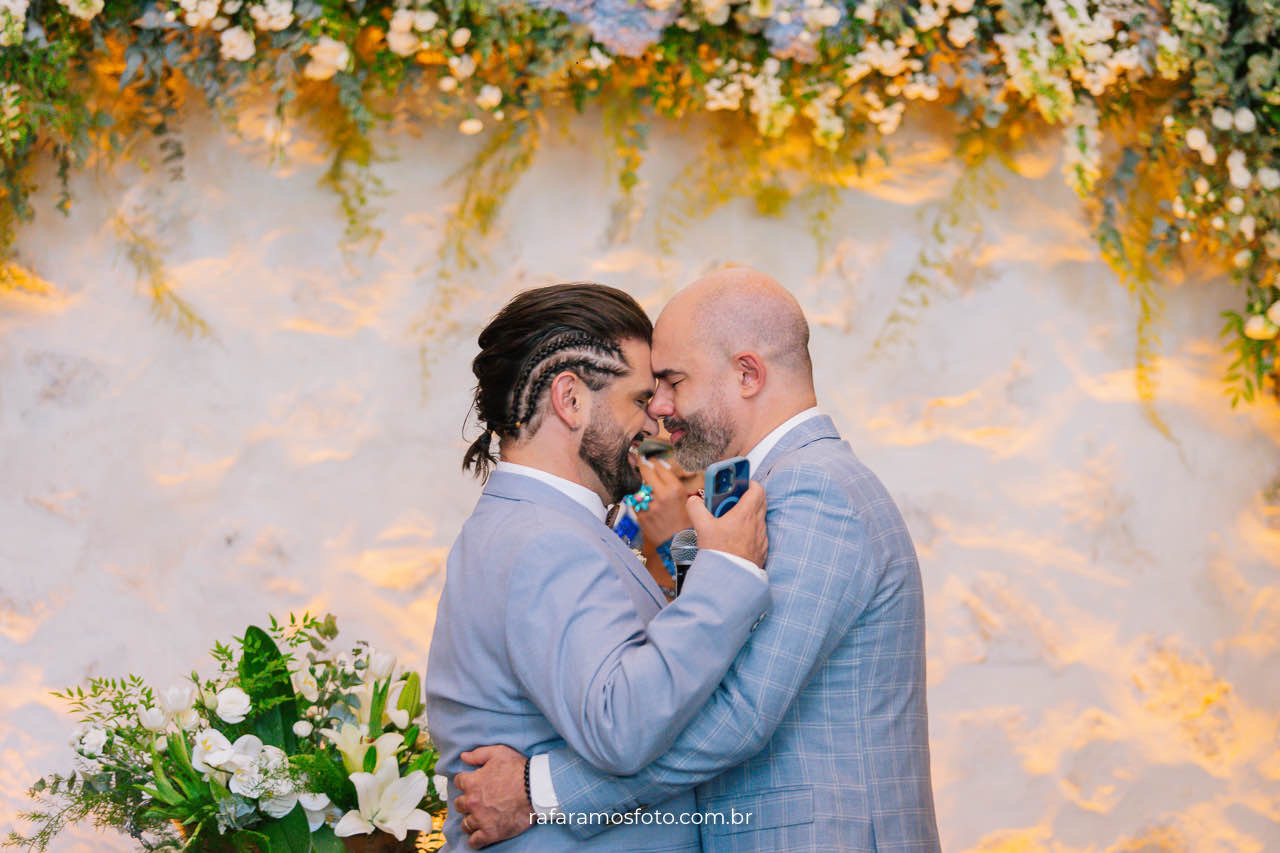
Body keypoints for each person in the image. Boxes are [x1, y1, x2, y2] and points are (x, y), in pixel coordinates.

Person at [452, 268, 940, 851]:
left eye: (672, 380)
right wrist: (687, 551)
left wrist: (542, 791)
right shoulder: (757, 485)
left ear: (747, 373)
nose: (660, 407)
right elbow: (701, 663)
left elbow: (736, 711)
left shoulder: (817, 489)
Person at [424, 282, 772, 851]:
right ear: (571, 399)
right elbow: (620, 726)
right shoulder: (546, 540)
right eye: (639, 399)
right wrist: (728, 572)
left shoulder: (536, 524)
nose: (660, 416)